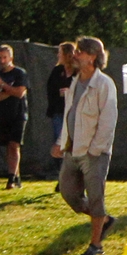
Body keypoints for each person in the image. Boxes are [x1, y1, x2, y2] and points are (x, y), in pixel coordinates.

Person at [51, 37, 118, 255]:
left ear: (92, 56)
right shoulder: (75, 82)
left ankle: (96, 245)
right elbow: (70, 114)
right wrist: (61, 144)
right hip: (73, 150)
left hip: (93, 153)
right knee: (69, 193)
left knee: (96, 196)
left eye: (80, 52)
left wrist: (96, 150)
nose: (75, 55)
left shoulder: (104, 84)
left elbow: (108, 121)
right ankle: (104, 220)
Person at [0, 44, 29, 189]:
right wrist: (10, 90)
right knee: (9, 146)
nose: (1, 60)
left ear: (11, 57)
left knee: (14, 144)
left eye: (4, 57)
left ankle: (11, 178)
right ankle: (16, 176)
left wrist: (3, 87)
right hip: (3, 114)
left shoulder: (20, 73)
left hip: (18, 113)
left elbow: (20, 93)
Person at [45, 42, 76, 185]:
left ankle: (70, 176)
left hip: (73, 113)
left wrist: (70, 93)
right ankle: (62, 176)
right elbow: (50, 90)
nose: (58, 55)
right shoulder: (57, 71)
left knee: (71, 144)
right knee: (59, 142)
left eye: (60, 52)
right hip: (59, 112)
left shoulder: (78, 72)